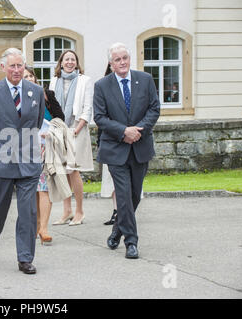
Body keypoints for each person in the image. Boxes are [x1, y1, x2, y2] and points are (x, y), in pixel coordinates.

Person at [0, 48, 45, 274]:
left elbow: (35, 123)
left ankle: (25, 258)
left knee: (27, 212)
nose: (17, 70)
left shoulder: (36, 91)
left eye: (20, 66)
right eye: (12, 66)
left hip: (29, 161)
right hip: (1, 161)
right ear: (3, 67)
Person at [93, 43, 160, 259]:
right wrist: (124, 131)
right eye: (117, 60)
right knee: (122, 195)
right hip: (115, 149)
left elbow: (154, 108)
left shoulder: (145, 79)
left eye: (125, 58)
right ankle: (131, 242)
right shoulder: (102, 85)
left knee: (134, 196)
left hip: (140, 146)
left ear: (129, 59)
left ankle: (116, 231)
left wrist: (138, 131)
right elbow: (100, 117)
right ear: (111, 64)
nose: (122, 62)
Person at [49, 50, 94, 226]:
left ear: (76, 63)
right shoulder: (54, 81)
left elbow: (87, 109)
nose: (69, 62)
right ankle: (66, 211)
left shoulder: (85, 81)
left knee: (73, 171)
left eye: (72, 59)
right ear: (61, 63)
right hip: (59, 131)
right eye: (66, 59)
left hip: (76, 131)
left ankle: (79, 211)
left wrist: (76, 129)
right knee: (62, 171)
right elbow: (51, 106)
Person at [23, 66, 65, 245]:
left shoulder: (47, 94)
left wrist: (51, 133)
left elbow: (60, 118)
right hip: (25, 149)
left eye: (30, 75)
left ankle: (44, 228)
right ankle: (35, 225)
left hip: (46, 147)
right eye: (25, 76)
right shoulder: (16, 97)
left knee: (44, 187)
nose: (29, 79)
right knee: (31, 190)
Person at [98, 63, 118, 225]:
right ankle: (116, 210)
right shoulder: (103, 87)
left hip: (130, 140)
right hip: (110, 140)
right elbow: (100, 119)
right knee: (112, 180)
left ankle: (126, 211)